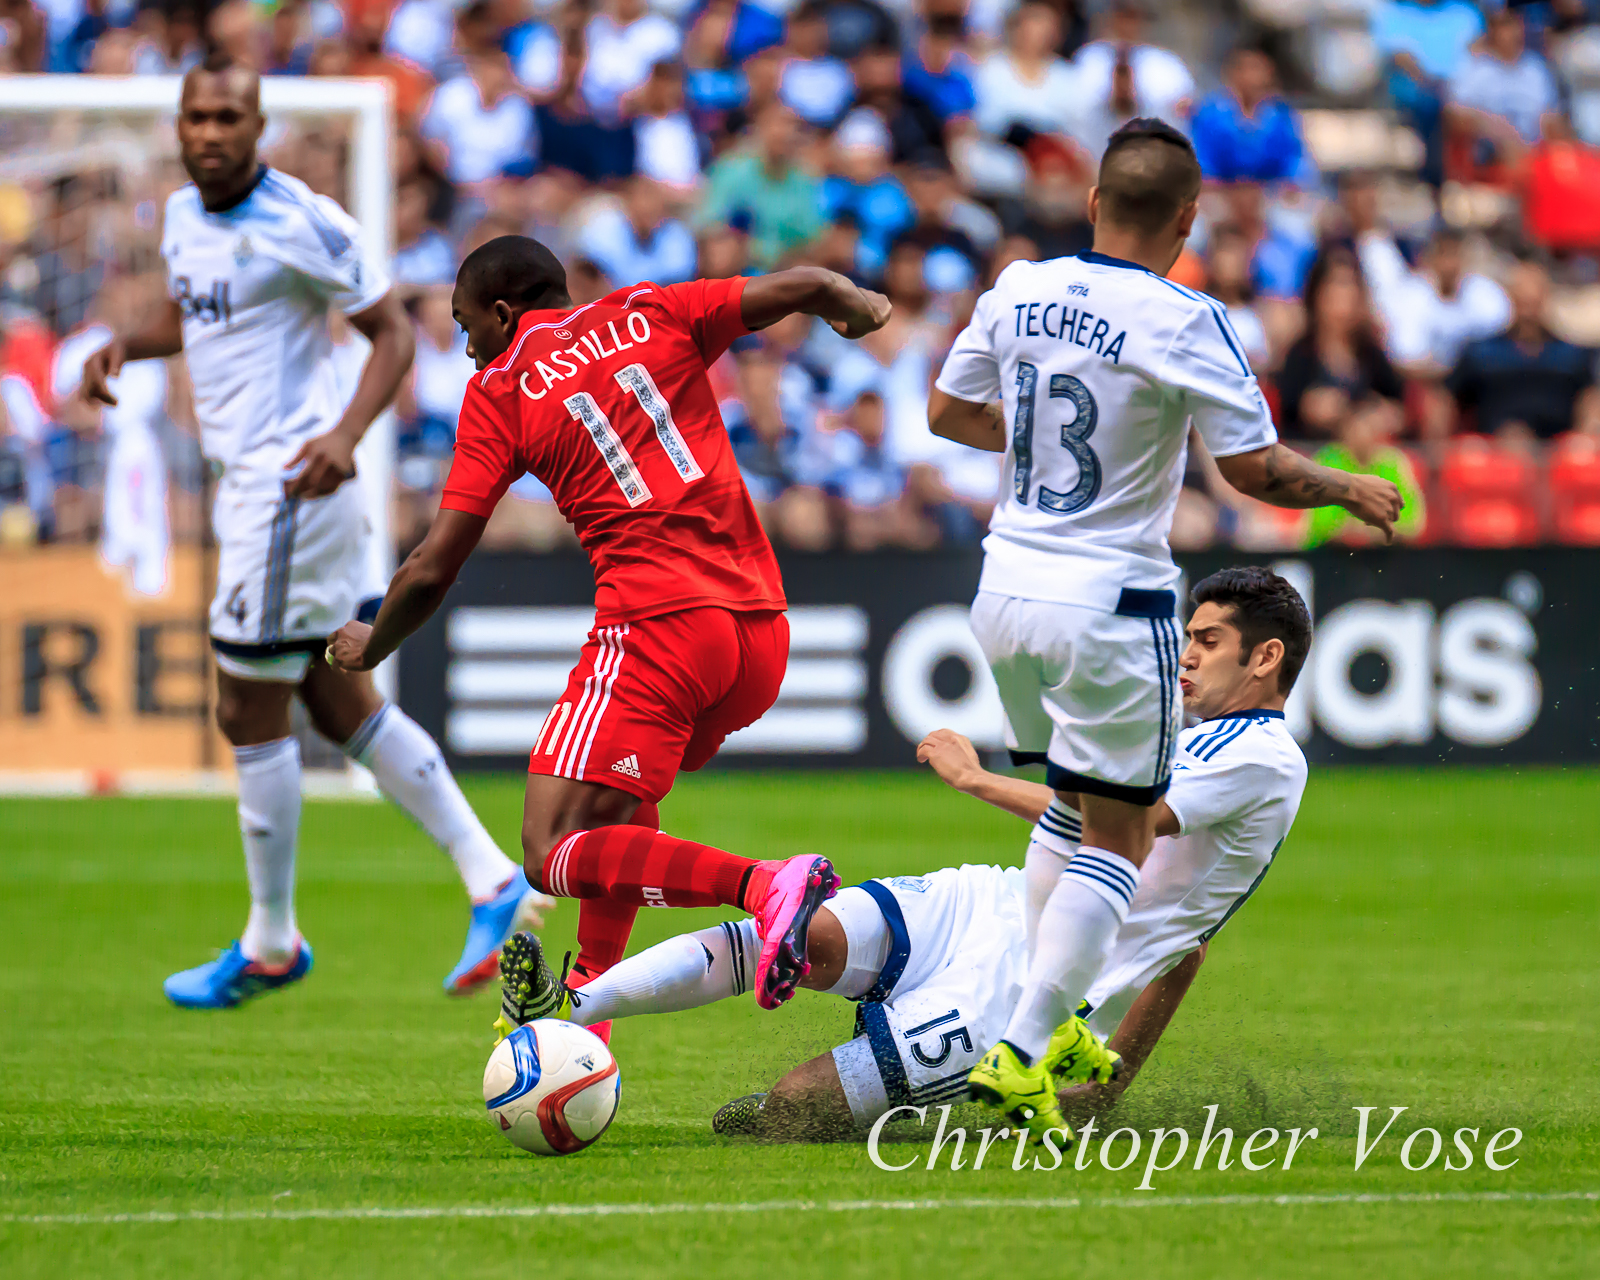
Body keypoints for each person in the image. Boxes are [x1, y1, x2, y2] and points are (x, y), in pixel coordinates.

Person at [924, 117, 1401, 1143]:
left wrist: (1049, 434)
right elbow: (1252, 470)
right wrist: (1344, 483)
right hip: (1109, 599)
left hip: (1002, 588)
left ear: (1093, 203)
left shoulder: (1015, 286)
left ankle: (1037, 1030)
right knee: (1121, 828)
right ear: (1187, 221)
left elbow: (947, 414)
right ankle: (1024, 1047)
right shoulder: (1184, 318)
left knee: (1067, 809)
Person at [491, 567, 1311, 1143]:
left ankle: (896, 1095)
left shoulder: (1263, 758)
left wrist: (978, 781)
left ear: (1265, 657)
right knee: (798, 935)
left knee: (788, 1112)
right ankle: (571, 1008)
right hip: (987, 902)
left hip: (1023, 988)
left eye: (1207, 639)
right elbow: (1185, 934)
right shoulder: (1191, 737)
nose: (1189, 654)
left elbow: (1132, 834)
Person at [325, 236, 894, 1023]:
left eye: (465, 327)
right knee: (617, 810)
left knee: (548, 850)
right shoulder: (649, 308)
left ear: (501, 312)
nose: (464, 349)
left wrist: (371, 641)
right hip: (760, 635)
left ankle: (766, 887)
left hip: (659, 626)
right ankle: (582, 993)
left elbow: (433, 564)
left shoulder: (501, 388)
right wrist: (844, 296)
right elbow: (795, 284)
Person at [80, 56, 549, 1008]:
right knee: (333, 700)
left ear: (258, 128)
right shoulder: (180, 216)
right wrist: (129, 343)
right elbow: (203, 317)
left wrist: (343, 436)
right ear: (179, 125)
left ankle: (271, 939)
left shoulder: (304, 222)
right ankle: (492, 876)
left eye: (229, 118)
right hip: (250, 489)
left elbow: (393, 334)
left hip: (292, 489)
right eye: (197, 118)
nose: (210, 133)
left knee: (242, 708)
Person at [1448, 258, 1600, 444]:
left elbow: (1589, 402)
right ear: (1511, 299)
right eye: (1523, 302)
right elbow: (1450, 403)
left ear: (1546, 298)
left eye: (1533, 302)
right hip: (1492, 451)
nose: (1528, 312)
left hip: (1557, 452)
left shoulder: (1573, 355)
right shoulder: (1480, 353)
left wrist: (1586, 433)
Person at [1276, 250, 1406, 438]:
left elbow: (1397, 410)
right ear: (1316, 297)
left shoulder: (1371, 354)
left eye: (1350, 290)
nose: (1342, 306)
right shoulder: (1301, 354)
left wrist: (1380, 416)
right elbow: (1289, 409)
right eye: (1334, 293)